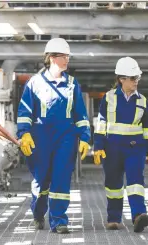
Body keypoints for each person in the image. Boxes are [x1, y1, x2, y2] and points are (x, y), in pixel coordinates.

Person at [17, 37, 91, 234]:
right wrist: (24, 134)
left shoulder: (73, 84)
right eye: (63, 56)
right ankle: (38, 212)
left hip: (66, 136)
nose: (67, 60)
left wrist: (84, 137)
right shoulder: (34, 83)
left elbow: (80, 115)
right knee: (41, 179)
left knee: (61, 177)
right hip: (41, 137)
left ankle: (59, 220)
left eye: (67, 56)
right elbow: (24, 112)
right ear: (51, 58)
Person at [93, 56, 148, 233]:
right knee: (113, 184)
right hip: (112, 148)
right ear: (121, 79)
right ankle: (114, 218)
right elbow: (101, 124)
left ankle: (139, 215)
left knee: (135, 181)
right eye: (132, 78)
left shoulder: (143, 101)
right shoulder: (108, 99)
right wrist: (98, 146)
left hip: (134, 148)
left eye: (137, 78)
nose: (136, 81)